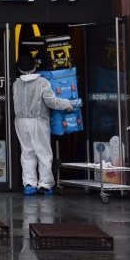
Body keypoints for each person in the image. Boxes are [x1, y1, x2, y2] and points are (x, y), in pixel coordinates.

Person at [12, 52, 81, 196]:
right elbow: (52, 102)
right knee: (43, 152)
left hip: (20, 121)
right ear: (34, 66)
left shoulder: (16, 84)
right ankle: (45, 184)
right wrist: (69, 104)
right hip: (38, 121)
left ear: (19, 69)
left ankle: (29, 183)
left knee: (27, 152)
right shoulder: (42, 82)